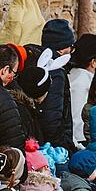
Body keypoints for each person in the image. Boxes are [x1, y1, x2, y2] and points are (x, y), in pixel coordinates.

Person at [38, 21, 75, 153]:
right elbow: (52, 117)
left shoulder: (39, 63)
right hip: (53, 148)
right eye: (71, 46)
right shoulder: (56, 72)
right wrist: (64, 146)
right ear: (62, 47)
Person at [0, 47, 27, 152]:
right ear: (5, 70)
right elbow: (15, 148)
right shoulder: (3, 98)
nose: (12, 79)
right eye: (13, 73)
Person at [67, 34, 96, 148]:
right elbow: (77, 117)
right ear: (93, 62)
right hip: (81, 139)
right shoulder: (82, 82)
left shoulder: (73, 75)